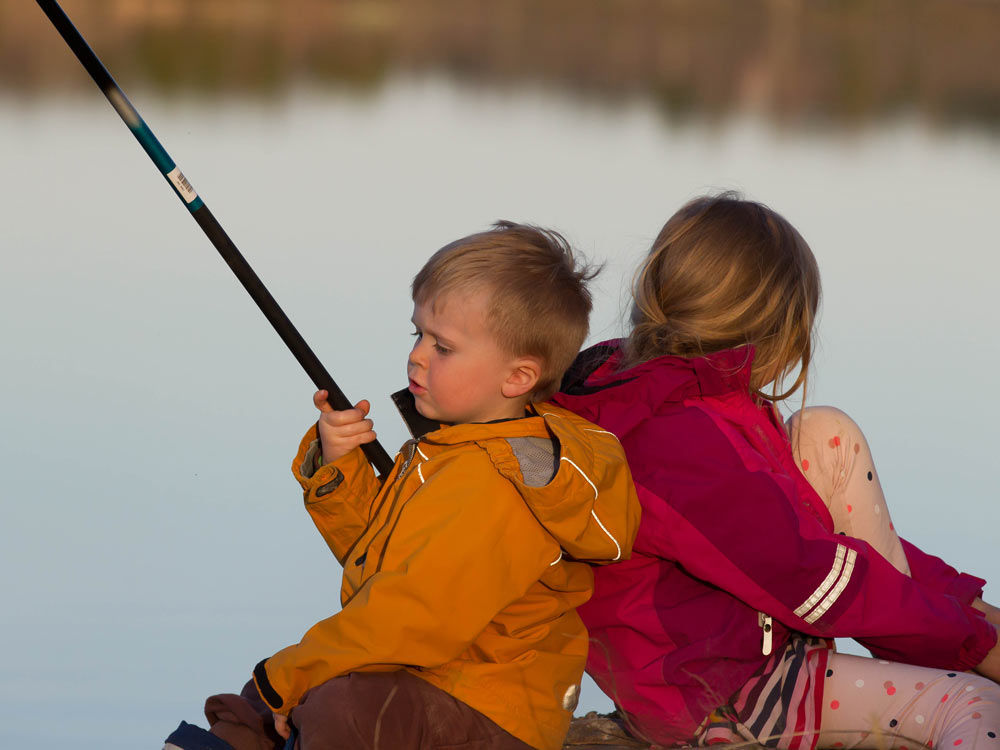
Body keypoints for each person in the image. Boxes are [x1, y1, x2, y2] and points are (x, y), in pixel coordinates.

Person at [162, 221, 640, 750]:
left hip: (487, 710)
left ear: (518, 377)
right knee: (260, 698)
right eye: (418, 334)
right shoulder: (453, 447)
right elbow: (384, 565)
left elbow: (410, 620)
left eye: (444, 347)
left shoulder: (495, 480)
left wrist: (290, 675)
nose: (417, 355)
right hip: (431, 680)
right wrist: (341, 468)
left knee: (333, 701)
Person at [551, 194, 1000, 750]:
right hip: (726, 696)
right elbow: (812, 577)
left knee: (825, 435)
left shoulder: (679, 391)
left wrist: (972, 614)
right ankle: (940, 654)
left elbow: (822, 533)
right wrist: (976, 649)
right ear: (781, 328)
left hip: (752, 655)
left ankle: (931, 643)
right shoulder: (675, 439)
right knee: (976, 703)